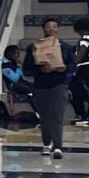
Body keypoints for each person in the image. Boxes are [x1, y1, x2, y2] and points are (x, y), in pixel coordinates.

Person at [23, 17, 75, 159]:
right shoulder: (33, 47)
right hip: (40, 84)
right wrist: (40, 68)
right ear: (43, 29)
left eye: (54, 27)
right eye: (48, 27)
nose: (51, 29)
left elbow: (73, 66)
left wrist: (63, 68)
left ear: (58, 29)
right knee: (44, 116)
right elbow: (26, 68)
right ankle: (47, 143)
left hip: (59, 84)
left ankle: (58, 146)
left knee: (57, 115)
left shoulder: (65, 47)